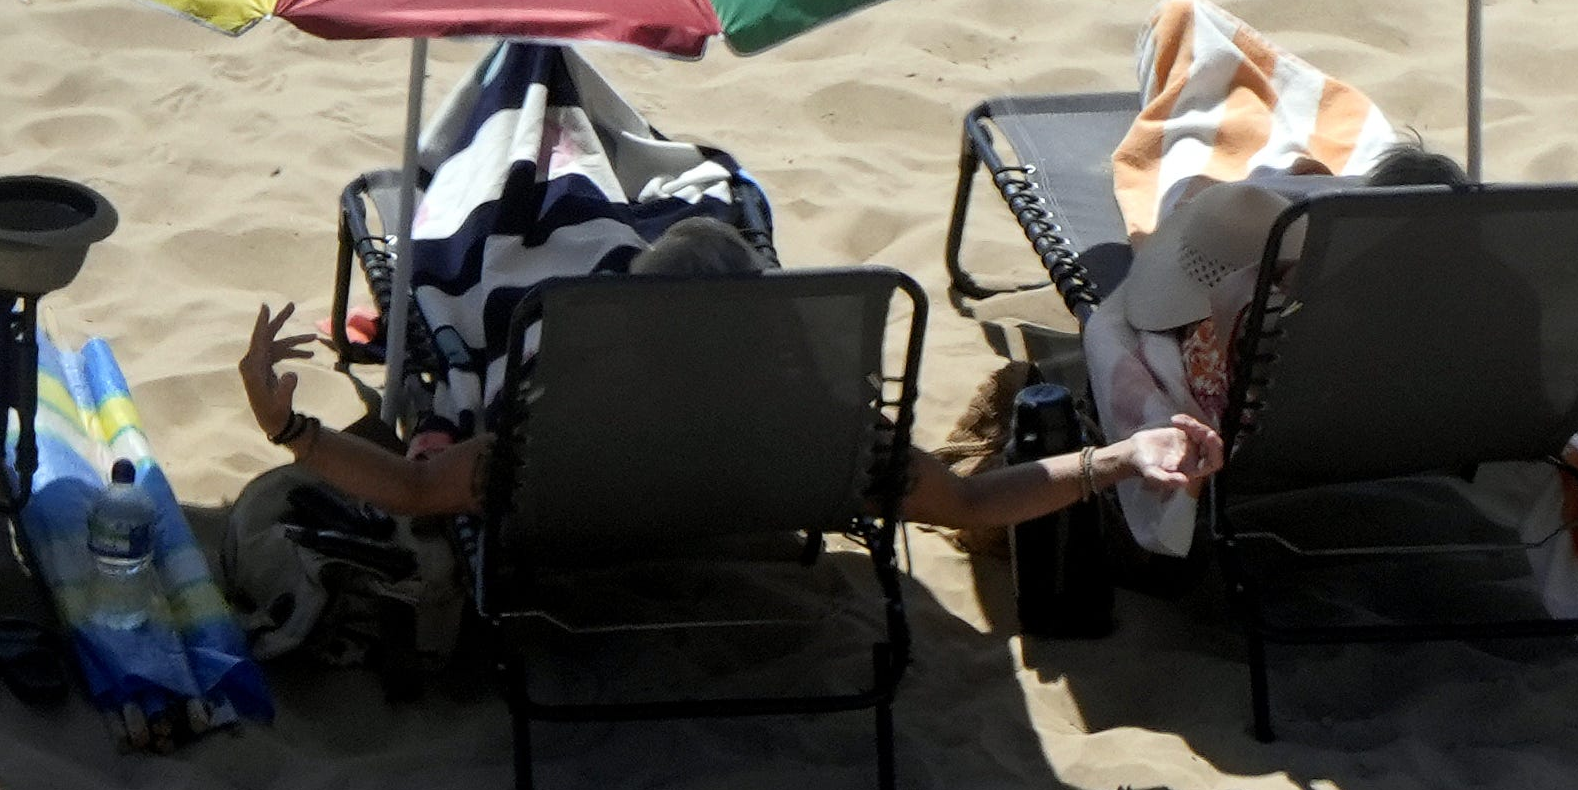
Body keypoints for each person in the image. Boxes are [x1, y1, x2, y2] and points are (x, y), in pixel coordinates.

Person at [230, 218, 1219, 531]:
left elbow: (409, 490)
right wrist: (1120, 456)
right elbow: (965, 504)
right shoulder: (822, 436)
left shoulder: (565, 439)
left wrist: (290, 433)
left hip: (586, 560)